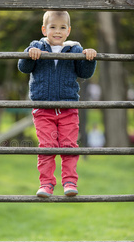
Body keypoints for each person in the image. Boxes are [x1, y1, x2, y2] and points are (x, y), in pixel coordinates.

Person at [18, 10, 97, 197]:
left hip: (68, 108)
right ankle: (46, 184)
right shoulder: (37, 46)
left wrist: (89, 57)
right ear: (44, 29)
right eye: (53, 27)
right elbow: (23, 67)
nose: (57, 31)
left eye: (62, 27)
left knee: (69, 145)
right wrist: (30, 54)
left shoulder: (75, 49)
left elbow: (85, 73)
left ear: (68, 30)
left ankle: (70, 181)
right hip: (43, 109)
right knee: (47, 146)